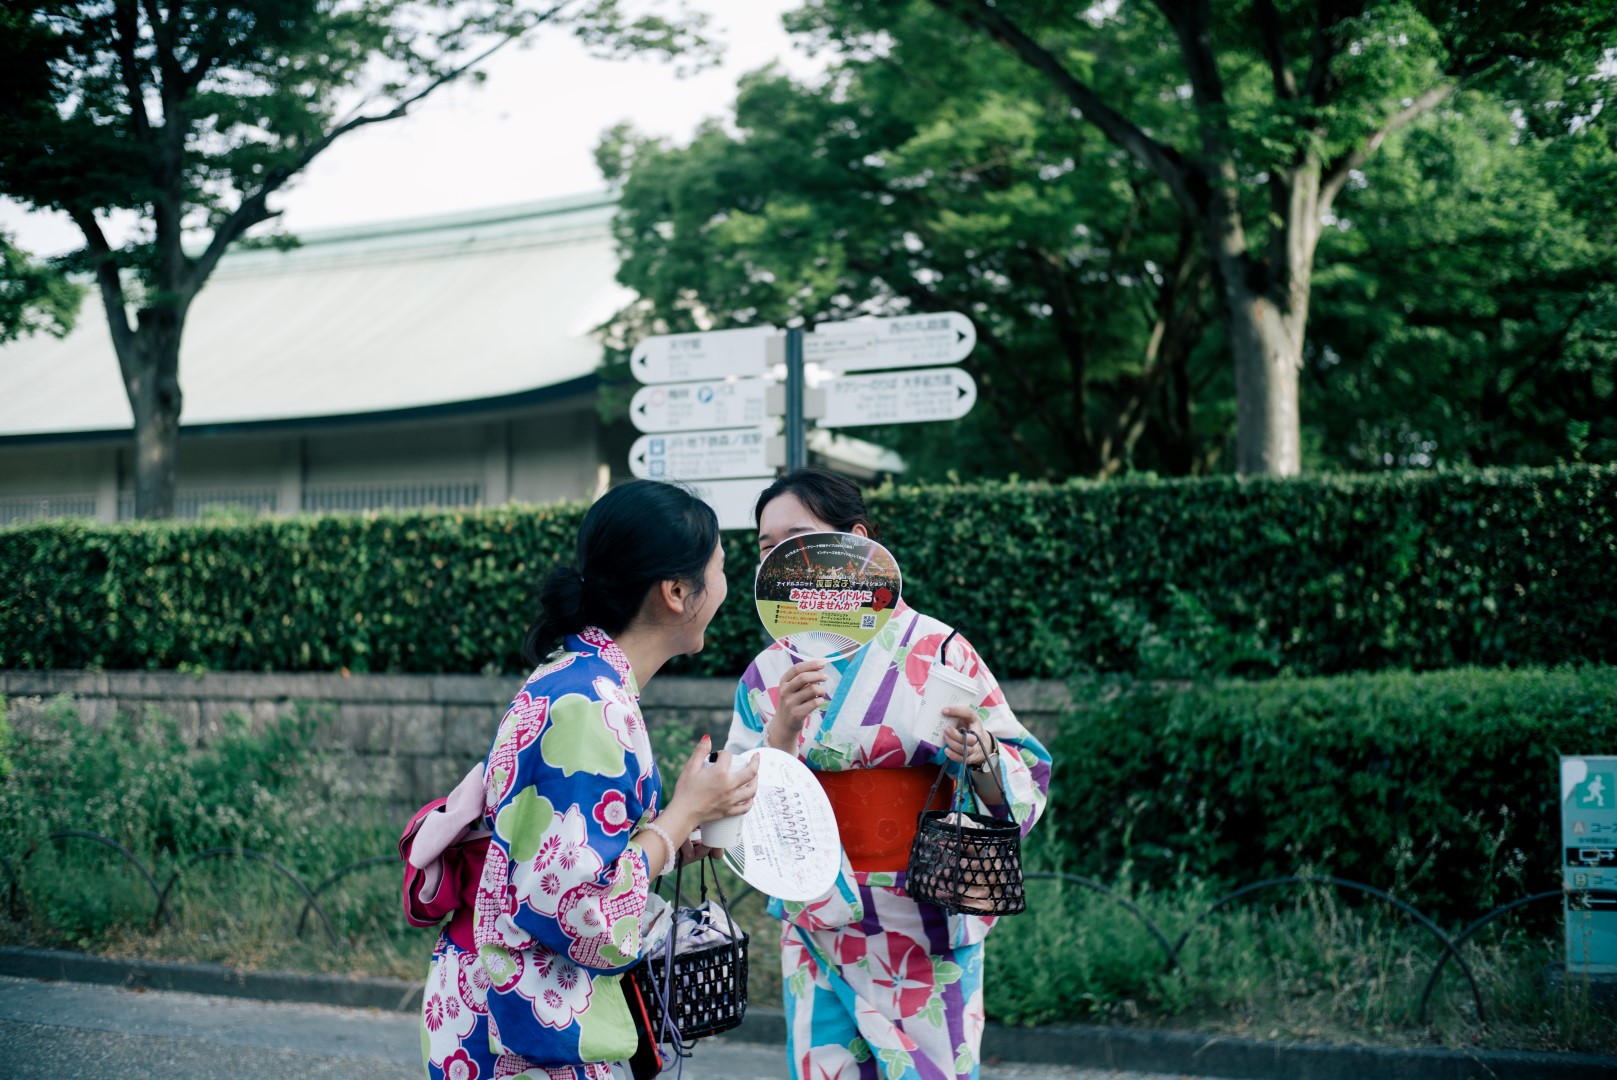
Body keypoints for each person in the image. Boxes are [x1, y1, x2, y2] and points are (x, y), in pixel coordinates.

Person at [419, 480, 759, 1080]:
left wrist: (670, 842)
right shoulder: (585, 704)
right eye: (722, 569)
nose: (727, 588)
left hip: (507, 1004)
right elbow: (578, 912)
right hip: (523, 1025)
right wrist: (680, 815)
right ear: (677, 592)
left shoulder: (583, 682)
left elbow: (566, 858)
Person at [726, 468, 1052, 1080]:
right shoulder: (770, 672)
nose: (779, 558)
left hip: (928, 911)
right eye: (767, 548)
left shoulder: (941, 649)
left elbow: (1022, 777)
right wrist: (781, 734)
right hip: (820, 911)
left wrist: (979, 754)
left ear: (856, 540)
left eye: (796, 539)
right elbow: (736, 803)